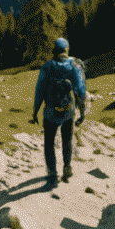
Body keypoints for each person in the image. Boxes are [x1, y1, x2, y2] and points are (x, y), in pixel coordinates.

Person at [31, 36, 86, 187]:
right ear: (67, 49)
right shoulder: (74, 65)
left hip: (50, 113)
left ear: (54, 50)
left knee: (49, 143)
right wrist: (82, 110)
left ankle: (52, 175)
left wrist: (35, 110)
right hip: (68, 111)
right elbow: (80, 89)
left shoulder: (47, 67)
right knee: (67, 140)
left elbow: (39, 90)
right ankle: (67, 169)